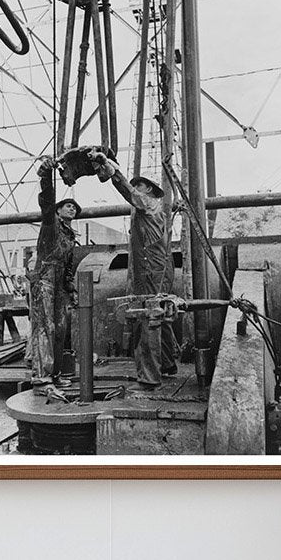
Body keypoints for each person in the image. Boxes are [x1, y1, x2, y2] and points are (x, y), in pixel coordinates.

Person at [95, 154, 178, 389]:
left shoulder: (149, 204)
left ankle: (150, 376)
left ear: (148, 189)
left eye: (139, 185)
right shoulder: (155, 208)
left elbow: (128, 192)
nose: (136, 189)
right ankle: (168, 364)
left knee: (148, 316)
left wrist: (112, 171)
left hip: (151, 268)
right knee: (161, 314)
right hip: (159, 267)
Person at [28, 156, 80, 394]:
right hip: (44, 280)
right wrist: (47, 177)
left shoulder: (70, 237)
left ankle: (55, 374)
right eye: (68, 206)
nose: (72, 209)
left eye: (75, 208)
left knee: (60, 329)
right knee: (44, 327)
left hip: (59, 283)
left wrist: (71, 291)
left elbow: (69, 268)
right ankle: (41, 379)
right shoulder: (51, 224)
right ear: (59, 210)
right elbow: (46, 203)